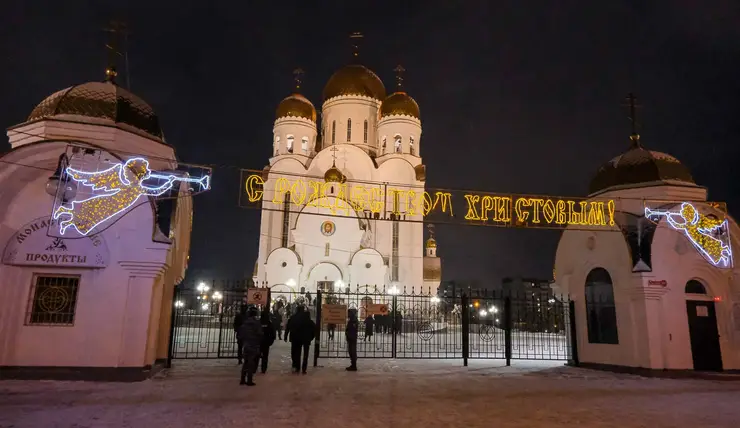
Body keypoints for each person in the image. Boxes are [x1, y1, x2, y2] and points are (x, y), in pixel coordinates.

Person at [284, 305, 315, 374]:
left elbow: (288, 327)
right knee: (305, 354)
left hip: (295, 338)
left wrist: (285, 336)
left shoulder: (293, 318)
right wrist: (311, 337)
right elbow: (313, 328)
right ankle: (304, 369)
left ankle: (296, 366)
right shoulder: (307, 318)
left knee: (296, 353)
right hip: (306, 338)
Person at [237, 306, 263, 386]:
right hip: (253, 344)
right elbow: (260, 333)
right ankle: (249, 380)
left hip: (246, 344)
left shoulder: (245, 322)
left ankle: (242, 379)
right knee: (251, 363)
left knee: (246, 362)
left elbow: (240, 333)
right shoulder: (256, 323)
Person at [257, 309, 277, 374]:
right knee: (265, 356)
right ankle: (263, 369)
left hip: (259, 342)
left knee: (256, 355)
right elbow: (273, 334)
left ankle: (254, 367)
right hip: (266, 343)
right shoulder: (269, 323)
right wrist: (270, 342)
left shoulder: (258, 322)